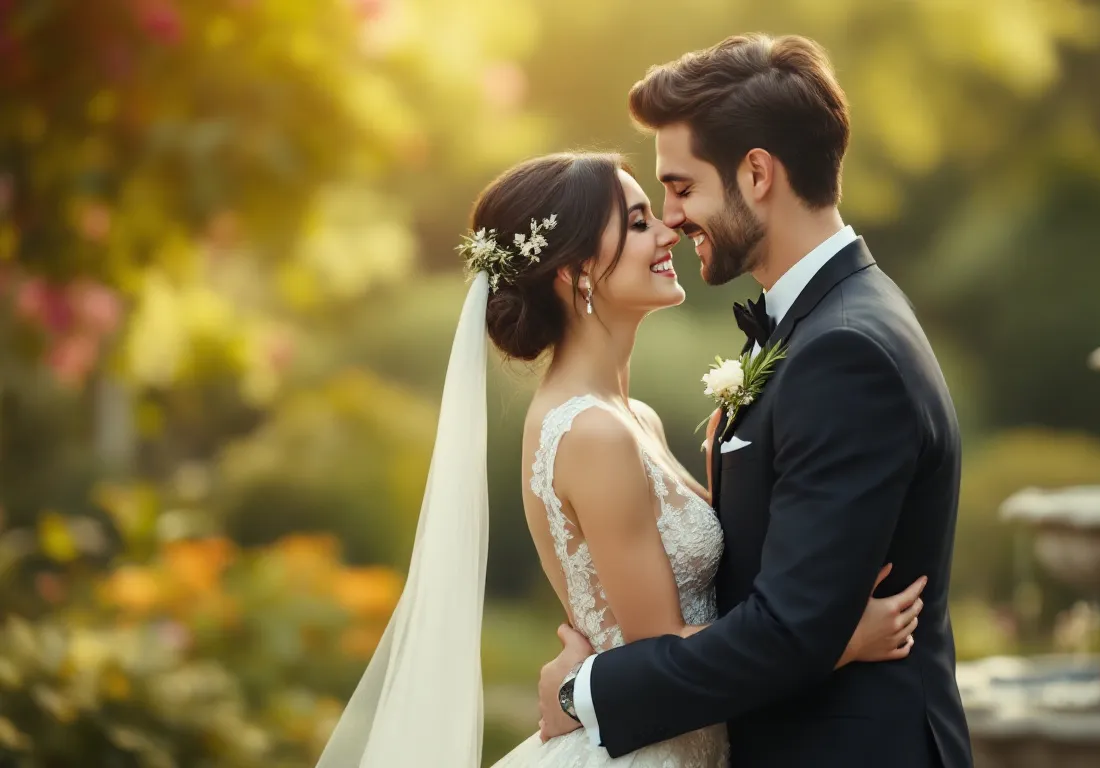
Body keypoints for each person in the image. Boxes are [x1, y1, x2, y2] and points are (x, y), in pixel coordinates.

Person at [312, 151, 926, 768]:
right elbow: (659, 647)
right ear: (577, 270)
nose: (668, 230)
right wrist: (833, 639)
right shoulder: (589, 432)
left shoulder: (633, 418)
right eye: (637, 223)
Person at [534, 34, 974, 768]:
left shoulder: (845, 352)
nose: (672, 218)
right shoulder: (816, 325)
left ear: (758, 174)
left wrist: (587, 690)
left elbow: (791, 630)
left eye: (680, 188)